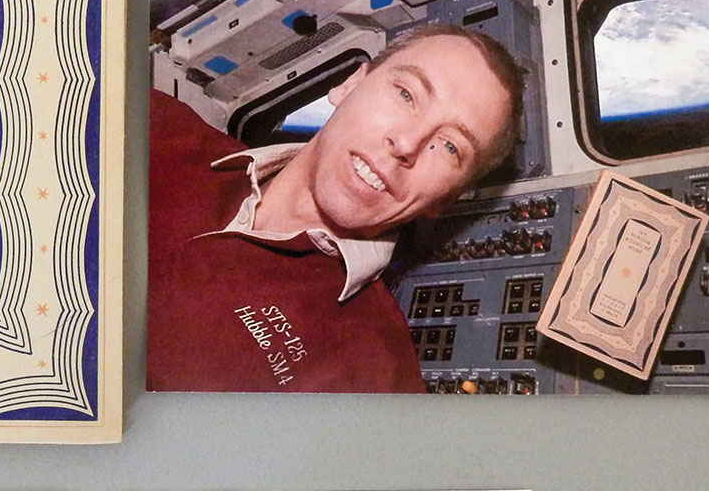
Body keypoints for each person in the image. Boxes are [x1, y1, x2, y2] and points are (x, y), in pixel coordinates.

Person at [147, 23, 525, 393]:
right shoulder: (151, 124)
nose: (407, 144)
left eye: (450, 147)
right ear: (350, 85)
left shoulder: (379, 387)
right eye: (406, 95)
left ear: (445, 200)